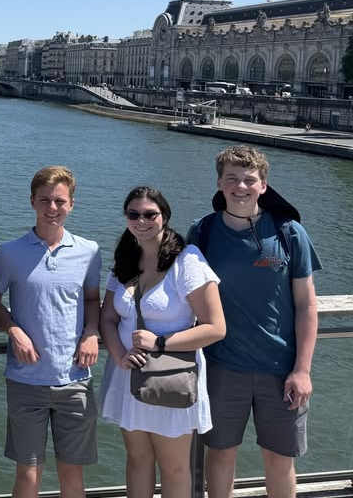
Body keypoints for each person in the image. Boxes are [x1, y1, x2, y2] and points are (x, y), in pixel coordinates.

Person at [186, 146, 321, 498]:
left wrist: (302, 370)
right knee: (220, 453)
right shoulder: (202, 233)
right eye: (231, 179)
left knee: (278, 458)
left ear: (263, 185)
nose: (240, 187)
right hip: (221, 366)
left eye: (249, 179)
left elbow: (307, 305)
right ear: (219, 183)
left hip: (281, 368)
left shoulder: (289, 233)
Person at [99, 187, 225, 498]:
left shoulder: (187, 261)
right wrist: (118, 356)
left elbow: (215, 327)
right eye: (133, 214)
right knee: (137, 460)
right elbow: (107, 319)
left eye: (149, 214)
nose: (141, 220)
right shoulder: (124, 261)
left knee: (174, 468)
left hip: (171, 378)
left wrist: (159, 342)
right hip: (129, 376)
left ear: (164, 217)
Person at [0, 166, 102, 498]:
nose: (52, 208)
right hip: (26, 381)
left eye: (59, 201)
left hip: (75, 380)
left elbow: (93, 299)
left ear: (72, 204)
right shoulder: (9, 252)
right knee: (27, 474)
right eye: (45, 200)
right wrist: (13, 329)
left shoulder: (89, 251)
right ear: (32, 202)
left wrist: (92, 332)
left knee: (72, 476)